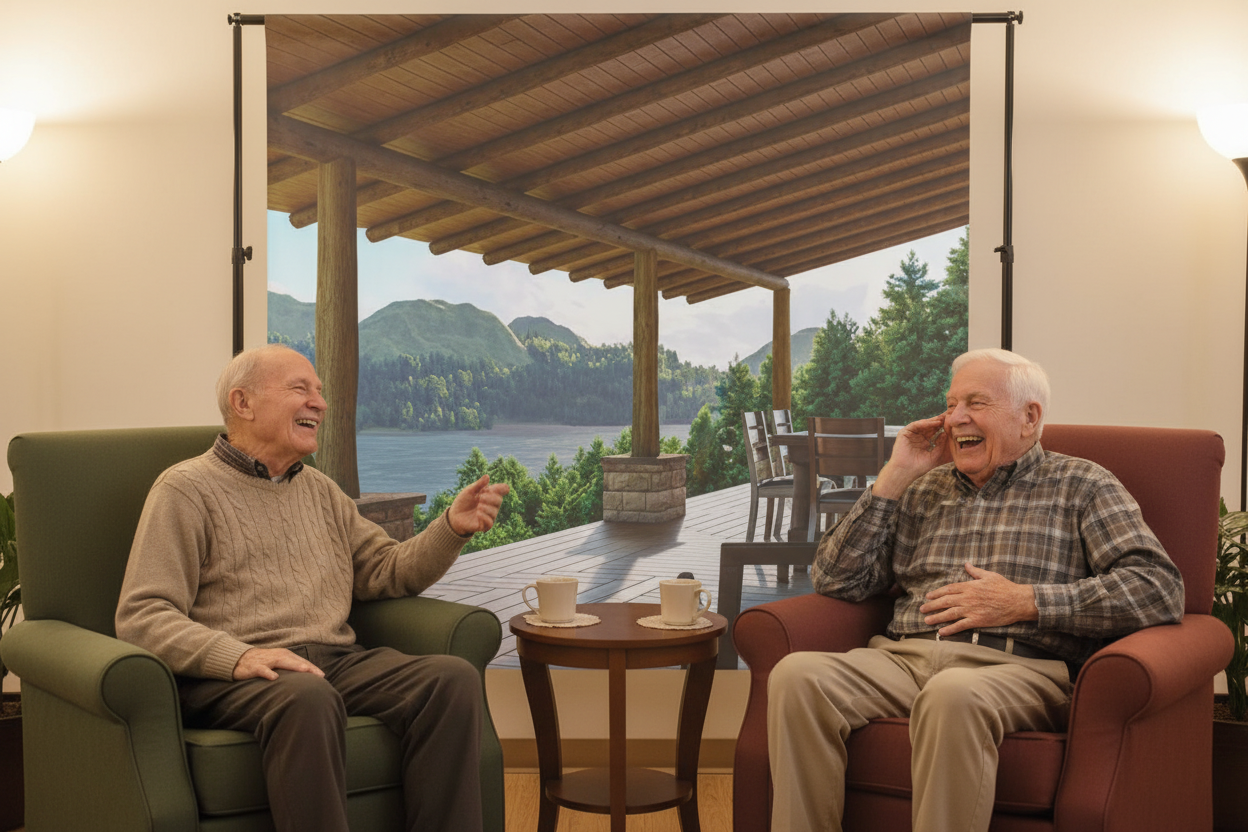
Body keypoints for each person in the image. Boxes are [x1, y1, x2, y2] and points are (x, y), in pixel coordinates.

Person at [767, 348, 1184, 832]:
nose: (954, 417)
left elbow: (1158, 588)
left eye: (976, 403)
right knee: (799, 676)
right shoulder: (923, 489)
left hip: (1021, 668)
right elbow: (836, 579)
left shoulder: (1083, 485)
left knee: (953, 693)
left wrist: (1025, 601)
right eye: (951, 403)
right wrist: (895, 476)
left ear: (1029, 417)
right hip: (904, 659)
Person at [115, 344, 510, 832]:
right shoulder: (185, 489)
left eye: (319, 393)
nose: (320, 404)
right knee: (307, 697)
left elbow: (387, 569)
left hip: (334, 661)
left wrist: (451, 525)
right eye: (300, 389)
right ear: (243, 403)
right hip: (234, 675)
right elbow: (142, 614)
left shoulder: (321, 490)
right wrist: (237, 657)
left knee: (451, 680)